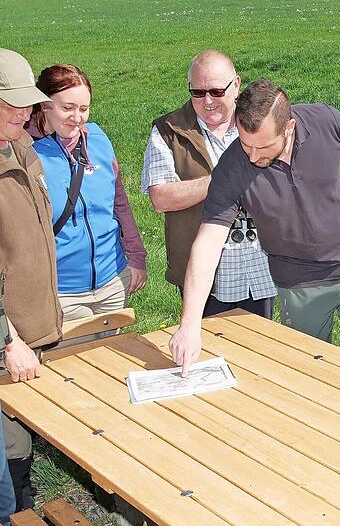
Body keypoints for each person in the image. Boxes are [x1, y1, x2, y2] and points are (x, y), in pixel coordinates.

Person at [170, 78, 340, 375]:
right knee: (308, 380)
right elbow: (207, 244)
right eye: (244, 143)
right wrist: (190, 324)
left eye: (262, 147)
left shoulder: (323, 122)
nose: (251, 155)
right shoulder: (233, 166)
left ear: (288, 129)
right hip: (300, 286)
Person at [142, 50, 276, 318]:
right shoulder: (168, 130)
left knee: (262, 351)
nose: (207, 101)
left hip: (261, 265)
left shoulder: (260, 123)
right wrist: (222, 180)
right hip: (206, 275)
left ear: (236, 84)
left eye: (216, 91)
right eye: (197, 92)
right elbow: (161, 197)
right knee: (207, 353)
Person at [26, 64, 147, 320]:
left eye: (84, 108)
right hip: (60, 293)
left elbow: (119, 204)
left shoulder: (99, 141)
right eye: (67, 108)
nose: (77, 117)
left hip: (113, 283)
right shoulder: (26, 153)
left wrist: (136, 258)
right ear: (44, 105)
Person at [0, 49, 62, 518]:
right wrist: (10, 340)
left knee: (20, 434)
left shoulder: (21, 147)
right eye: (11, 103)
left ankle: (22, 505)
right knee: (10, 443)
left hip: (33, 322)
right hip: (9, 338)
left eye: (27, 102)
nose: (23, 112)